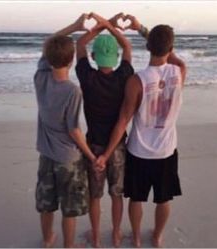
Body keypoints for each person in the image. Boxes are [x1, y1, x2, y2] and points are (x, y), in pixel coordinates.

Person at [96, 24, 186, 248]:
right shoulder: (179, 71)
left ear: (147, 47)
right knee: (164, 198)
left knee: (137, 198)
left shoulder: (137, 80)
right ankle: (156, 235)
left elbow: (123, 120)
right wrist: (141, 28)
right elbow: (171, 54)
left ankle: (136, 238)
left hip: (139, 151)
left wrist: (106, 154)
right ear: (171, 47)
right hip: (166, 149)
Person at [34, 14, 96, 248]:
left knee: (47, 203)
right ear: (71, 61)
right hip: (68, 159)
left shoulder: (41, 77)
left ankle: (48, 238)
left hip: (46, 155)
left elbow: (49, 41)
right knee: (69, 208)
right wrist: (91, 156)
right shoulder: (73, 91)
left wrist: (75, 26)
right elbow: (74, 131)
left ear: (49, 60)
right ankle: (68, 246)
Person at [75, 12, 136, 248]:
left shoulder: (87, 77)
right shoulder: (124, 75)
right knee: (116, 194)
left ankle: (97, 236)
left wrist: (101, 24)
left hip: (93, 146)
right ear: (117, 56)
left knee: (95, 195)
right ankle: (117, 233)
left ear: (93, 56)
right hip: (117, 146)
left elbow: (79, 43)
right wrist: (110, 24)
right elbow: (128, 44)